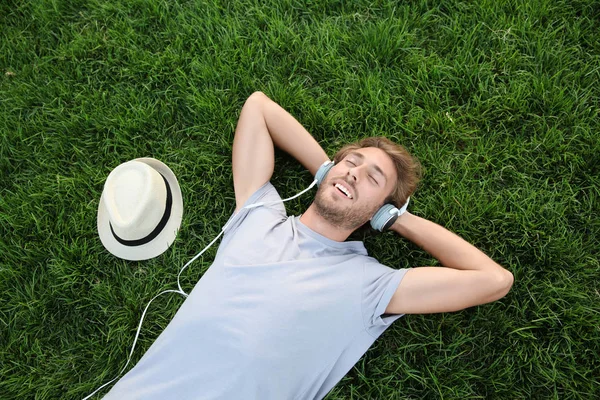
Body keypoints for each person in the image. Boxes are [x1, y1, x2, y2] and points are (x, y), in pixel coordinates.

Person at [102, 92, 514, 399]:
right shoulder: (259, 217)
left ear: (380, 209)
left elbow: (493, 279)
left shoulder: (370, 286)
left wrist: (398, 220)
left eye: (373, 179)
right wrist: (325, 170)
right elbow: (259, 108)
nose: (354, 174)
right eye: (351, 162)